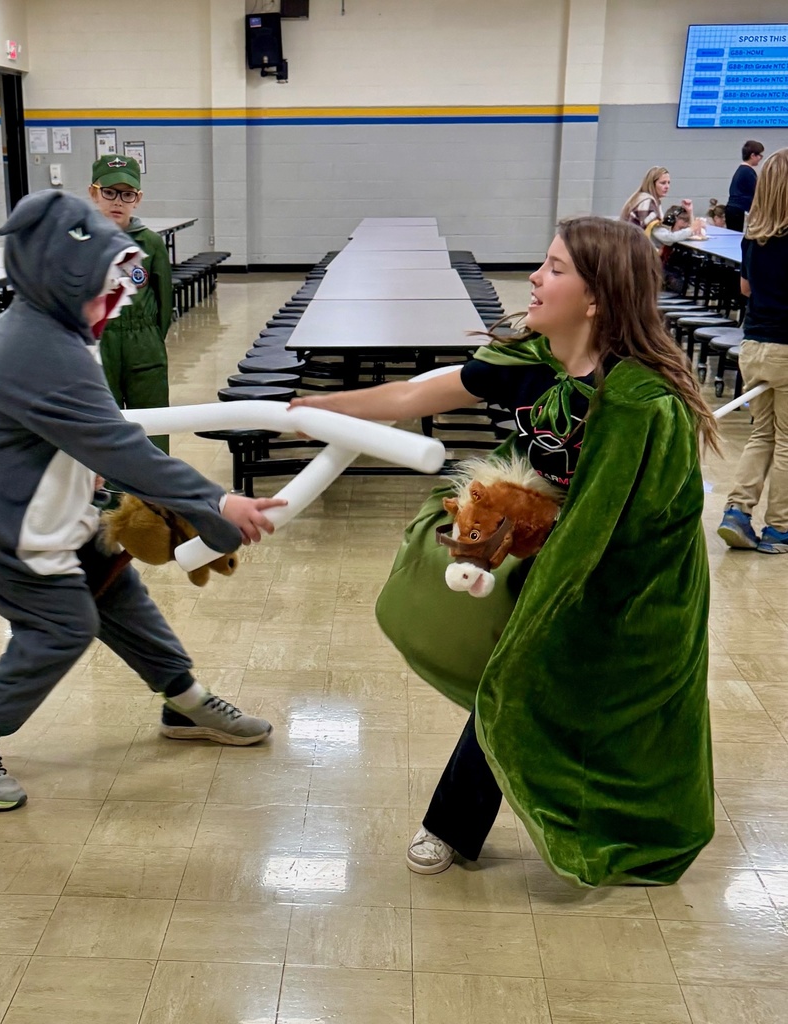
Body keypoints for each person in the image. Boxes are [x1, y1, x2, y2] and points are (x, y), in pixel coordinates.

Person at [291, 216, 718, 887]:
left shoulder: (636, 400)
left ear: (597, 296)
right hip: (543, 543)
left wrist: (556, 579)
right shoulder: (530, 361)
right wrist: (318, 406)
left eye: (553, 268)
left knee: (574, 694)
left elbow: (635, 519)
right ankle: (454, 826)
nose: (533, 277)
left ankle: (607, 825)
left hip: (623, 577)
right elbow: (412, 393)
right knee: (513, 679)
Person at [0, 190, 285, 811]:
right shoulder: (40, 348)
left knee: (115, 587)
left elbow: (91, 437)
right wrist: (216, 504)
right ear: (60, 275)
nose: (111, 299)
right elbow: (121, 447)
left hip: (23, 497)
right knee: (62, 624)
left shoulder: (47, 324)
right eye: (100, 286)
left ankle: (184, 704)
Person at [717, 147, 788, 555]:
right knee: (787, 441)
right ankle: (779, 529)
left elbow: (745, 289)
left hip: (754, 345)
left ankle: (737, 512)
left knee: (762, 434)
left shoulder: (754, 237)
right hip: (786, 347)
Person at [88, 154, 172, 453]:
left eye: (127, 194)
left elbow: (164, 302)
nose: (117, 202)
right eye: (109, 192)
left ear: (138, 199)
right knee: (104, 424)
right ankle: (109, 497)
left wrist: (147, 337)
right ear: (93, 193)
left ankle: (152, 496)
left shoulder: (150, 243)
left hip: (143, 341)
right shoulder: (80, 242)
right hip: (99, 343)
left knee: (153, 424)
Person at [620, 165, 693, 237]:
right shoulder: (647, 202)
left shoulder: (653, 201)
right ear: (652, 184)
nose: (667, 186)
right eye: (663, 183)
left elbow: (664, 231)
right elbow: (664, 237)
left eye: (668, 183)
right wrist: (692, 229)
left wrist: (689, 211)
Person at [725, 140, 764, 232]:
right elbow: (758, 192)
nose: (760, 158)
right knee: (736, 237)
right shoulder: (748, 172)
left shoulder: (741, 170)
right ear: (752, 155)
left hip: (733, 209)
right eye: (760, 156)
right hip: (738, 210)